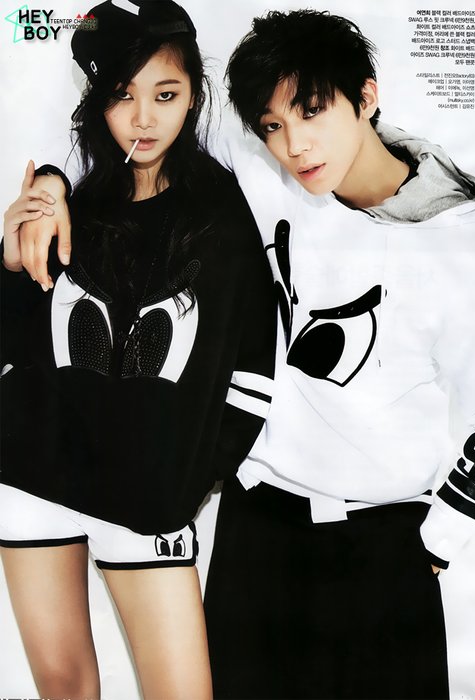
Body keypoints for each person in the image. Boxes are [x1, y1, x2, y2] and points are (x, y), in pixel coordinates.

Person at [12, 7, 475, 700]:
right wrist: (50, 181)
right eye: (272, 125)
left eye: (312, 112)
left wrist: (435, 547)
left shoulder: (458, 241)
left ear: (368, 97)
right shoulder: (260, 171)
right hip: (255, 530)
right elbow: (130, 124)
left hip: (383, 542)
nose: (295, 145)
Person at [0, 1, 275, 699]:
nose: (144, 119)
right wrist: (10, 258)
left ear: (195, 96)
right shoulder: (76, 205)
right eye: (123, 95)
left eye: (166, 94)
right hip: (35, 477)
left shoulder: (223, 212)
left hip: (150, 497)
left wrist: (189, 479)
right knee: (65, 688)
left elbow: (252, 368)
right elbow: (16, 336)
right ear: (98, 102)